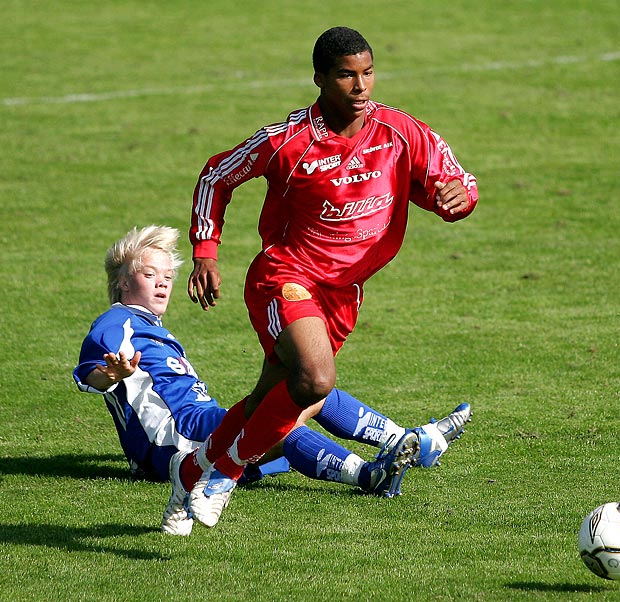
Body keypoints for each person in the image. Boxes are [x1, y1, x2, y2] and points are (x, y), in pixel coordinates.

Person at [170, 25, 479, 533]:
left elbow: (456, 183)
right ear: (319, 78)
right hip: (285, 277)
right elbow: (216, 175)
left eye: (368, 73)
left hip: (342, 295)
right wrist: (206, 251)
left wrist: (459, 200)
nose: (360, 88)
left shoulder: (401, 132)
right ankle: (223, 477)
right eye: (345, 76)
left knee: (272, 412)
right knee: (316, 379)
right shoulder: (286, 142)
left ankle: (189, 472)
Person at [74, 226, 472, 536]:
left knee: (300, 394)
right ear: (124, 283)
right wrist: (111, 374)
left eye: (167, 275)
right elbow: (91, 371)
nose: (163, 282)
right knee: (288, 406)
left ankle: (403, 450)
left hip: (200, 425)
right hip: (180, 440)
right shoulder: (116, 322)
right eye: (149, 274)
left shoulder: (150, 325)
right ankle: (379, 468)